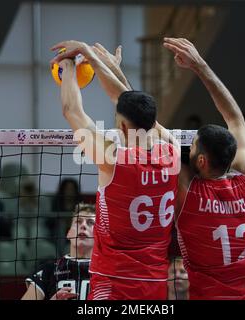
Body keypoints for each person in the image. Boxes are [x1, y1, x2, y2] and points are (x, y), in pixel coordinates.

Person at [50, 41, 180, 299]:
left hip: (113, 281)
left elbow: (71, 110)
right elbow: (130, 103)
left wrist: (67, 64)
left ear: (121, 128)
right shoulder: (173, 150)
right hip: (154, 282)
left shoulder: (113, 159)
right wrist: (102, 64)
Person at [163, 37, 245, 300]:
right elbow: (234, 117)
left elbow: (144, 123)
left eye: (194, 145)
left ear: (201, 161)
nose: (190, 147)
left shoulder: (187, 192)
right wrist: (200, 65)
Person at [21, 203, 95, 300]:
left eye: (90, 223)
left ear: (100, 234)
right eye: (78, 221)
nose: (83, 226)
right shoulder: (48, 270)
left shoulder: (109, 272)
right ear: (68, 233)